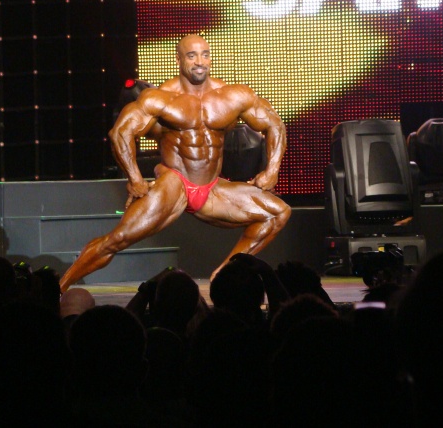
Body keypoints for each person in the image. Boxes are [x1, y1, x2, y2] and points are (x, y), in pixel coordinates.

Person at [59, 34, 291, 291]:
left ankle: (225, 274)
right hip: (175, 183)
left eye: (205, 55)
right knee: (118, 239)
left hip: (211, 188)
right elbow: (120, 133)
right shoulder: (161, 97)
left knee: (278, 213)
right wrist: (134, 179)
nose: (199, 61)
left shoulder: (233, 95)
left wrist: (272, 171)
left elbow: (275, 125)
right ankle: (58, 288)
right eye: (192, 56)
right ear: (179, 60)